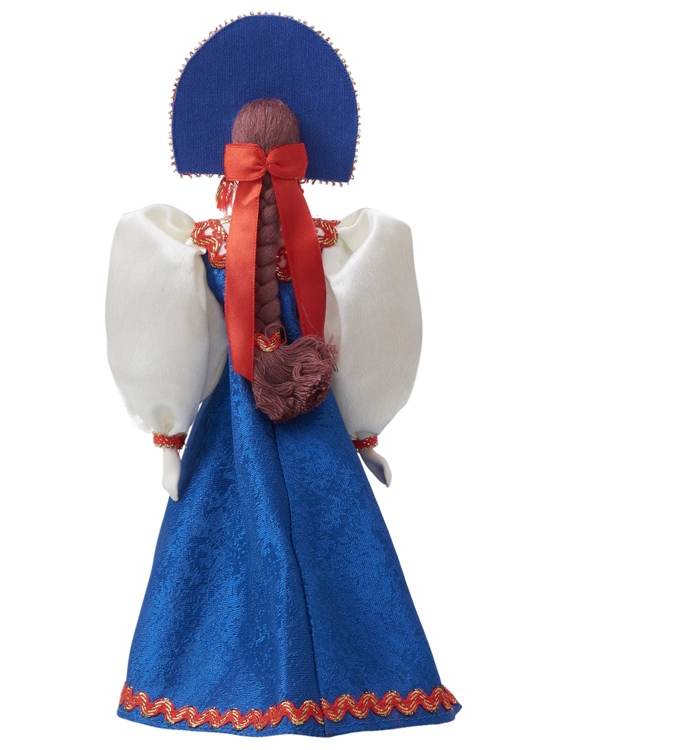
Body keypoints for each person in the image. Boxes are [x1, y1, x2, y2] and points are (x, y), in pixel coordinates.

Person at [105, 15, 460, 737]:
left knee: (216, 553)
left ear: (227, 162)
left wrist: (167, 431)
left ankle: (216, 683)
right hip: (314, 420)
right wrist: (364, 429)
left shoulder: (201, 245)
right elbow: (367, 334)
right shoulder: (336, 245)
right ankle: (354, 682)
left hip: (229, 433)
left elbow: (172, 338)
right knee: (336, 547)